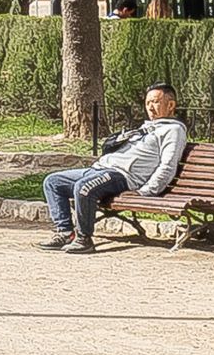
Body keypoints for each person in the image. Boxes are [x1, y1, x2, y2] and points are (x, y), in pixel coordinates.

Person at [39, 83, 187, 254]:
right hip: (100, 169)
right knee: (53, 182)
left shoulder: (173, 130)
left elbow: (167, 166)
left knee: (84, 187)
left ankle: (83, 239)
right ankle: (65, 233)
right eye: (147, 103)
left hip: (122, 176)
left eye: (155, 102)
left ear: (171, 105)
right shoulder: (145, 127)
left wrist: (145, 191)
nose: (150, 108)